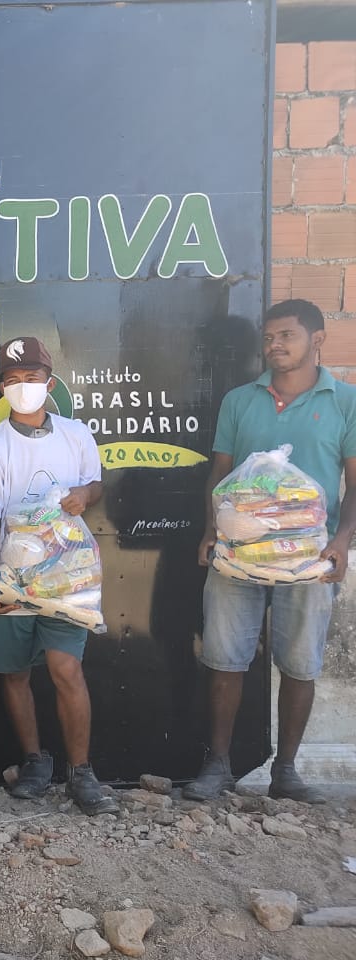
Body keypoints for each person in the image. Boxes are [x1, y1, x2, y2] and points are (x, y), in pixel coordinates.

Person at [186, 299, 356, 803]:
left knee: (300, 662)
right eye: (268, 337)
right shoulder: (240, 401)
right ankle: (218, 765)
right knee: (224, 657)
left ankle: (286, 771)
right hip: (238, 551)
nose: (275, 345)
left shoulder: (345, 401)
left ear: (317, 339)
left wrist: (342, 540)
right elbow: (219, 473)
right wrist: (210, 529)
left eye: (287, 335)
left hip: (309, 558)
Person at [0, 337, 118, 816]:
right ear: (1, 389)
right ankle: (34, 761)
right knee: (14, 673)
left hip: (68, 579)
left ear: (50, 384)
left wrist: (85, 495)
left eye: (31, 378)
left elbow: (94, 483)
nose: (22, 386)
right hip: (10, 578)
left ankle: (82, 770)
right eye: (12, 380)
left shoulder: (76, 434)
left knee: (65, 668)